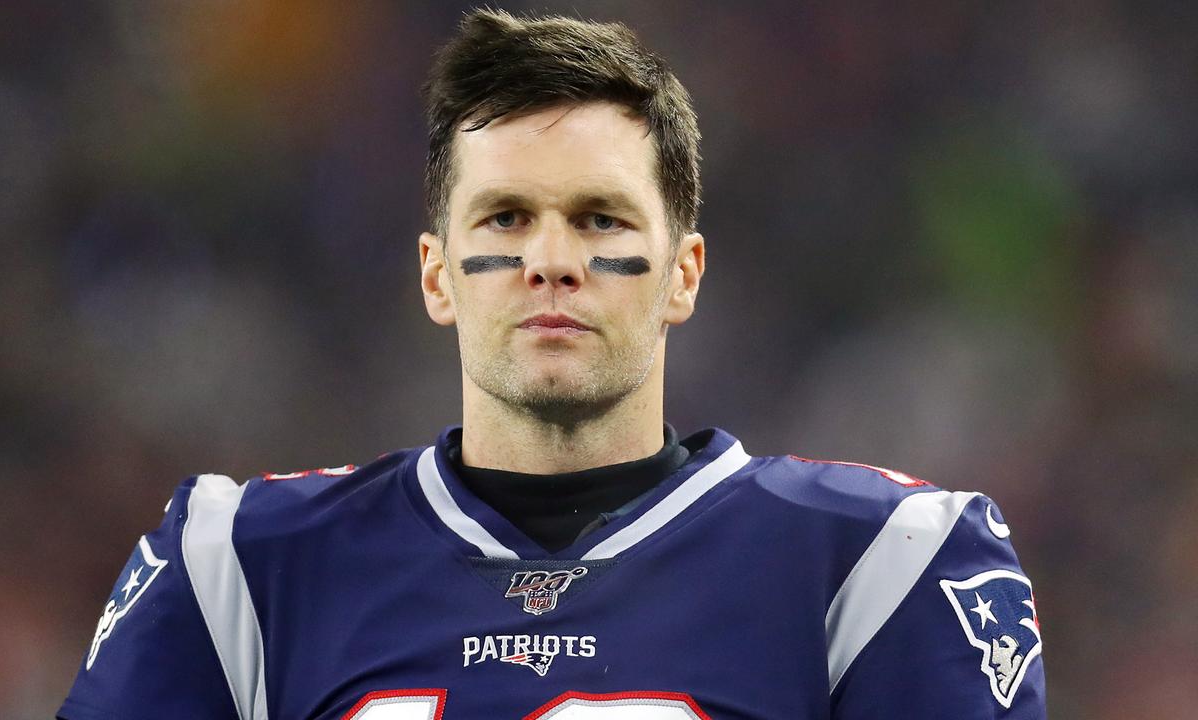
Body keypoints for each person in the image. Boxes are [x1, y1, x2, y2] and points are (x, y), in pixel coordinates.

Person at [58, 9, 1046, 719]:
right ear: (437, 276)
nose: (550, 260)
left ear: (681, 275)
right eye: (505, 218)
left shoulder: (881, 564)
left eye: (599, 218)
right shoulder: (240, 564)